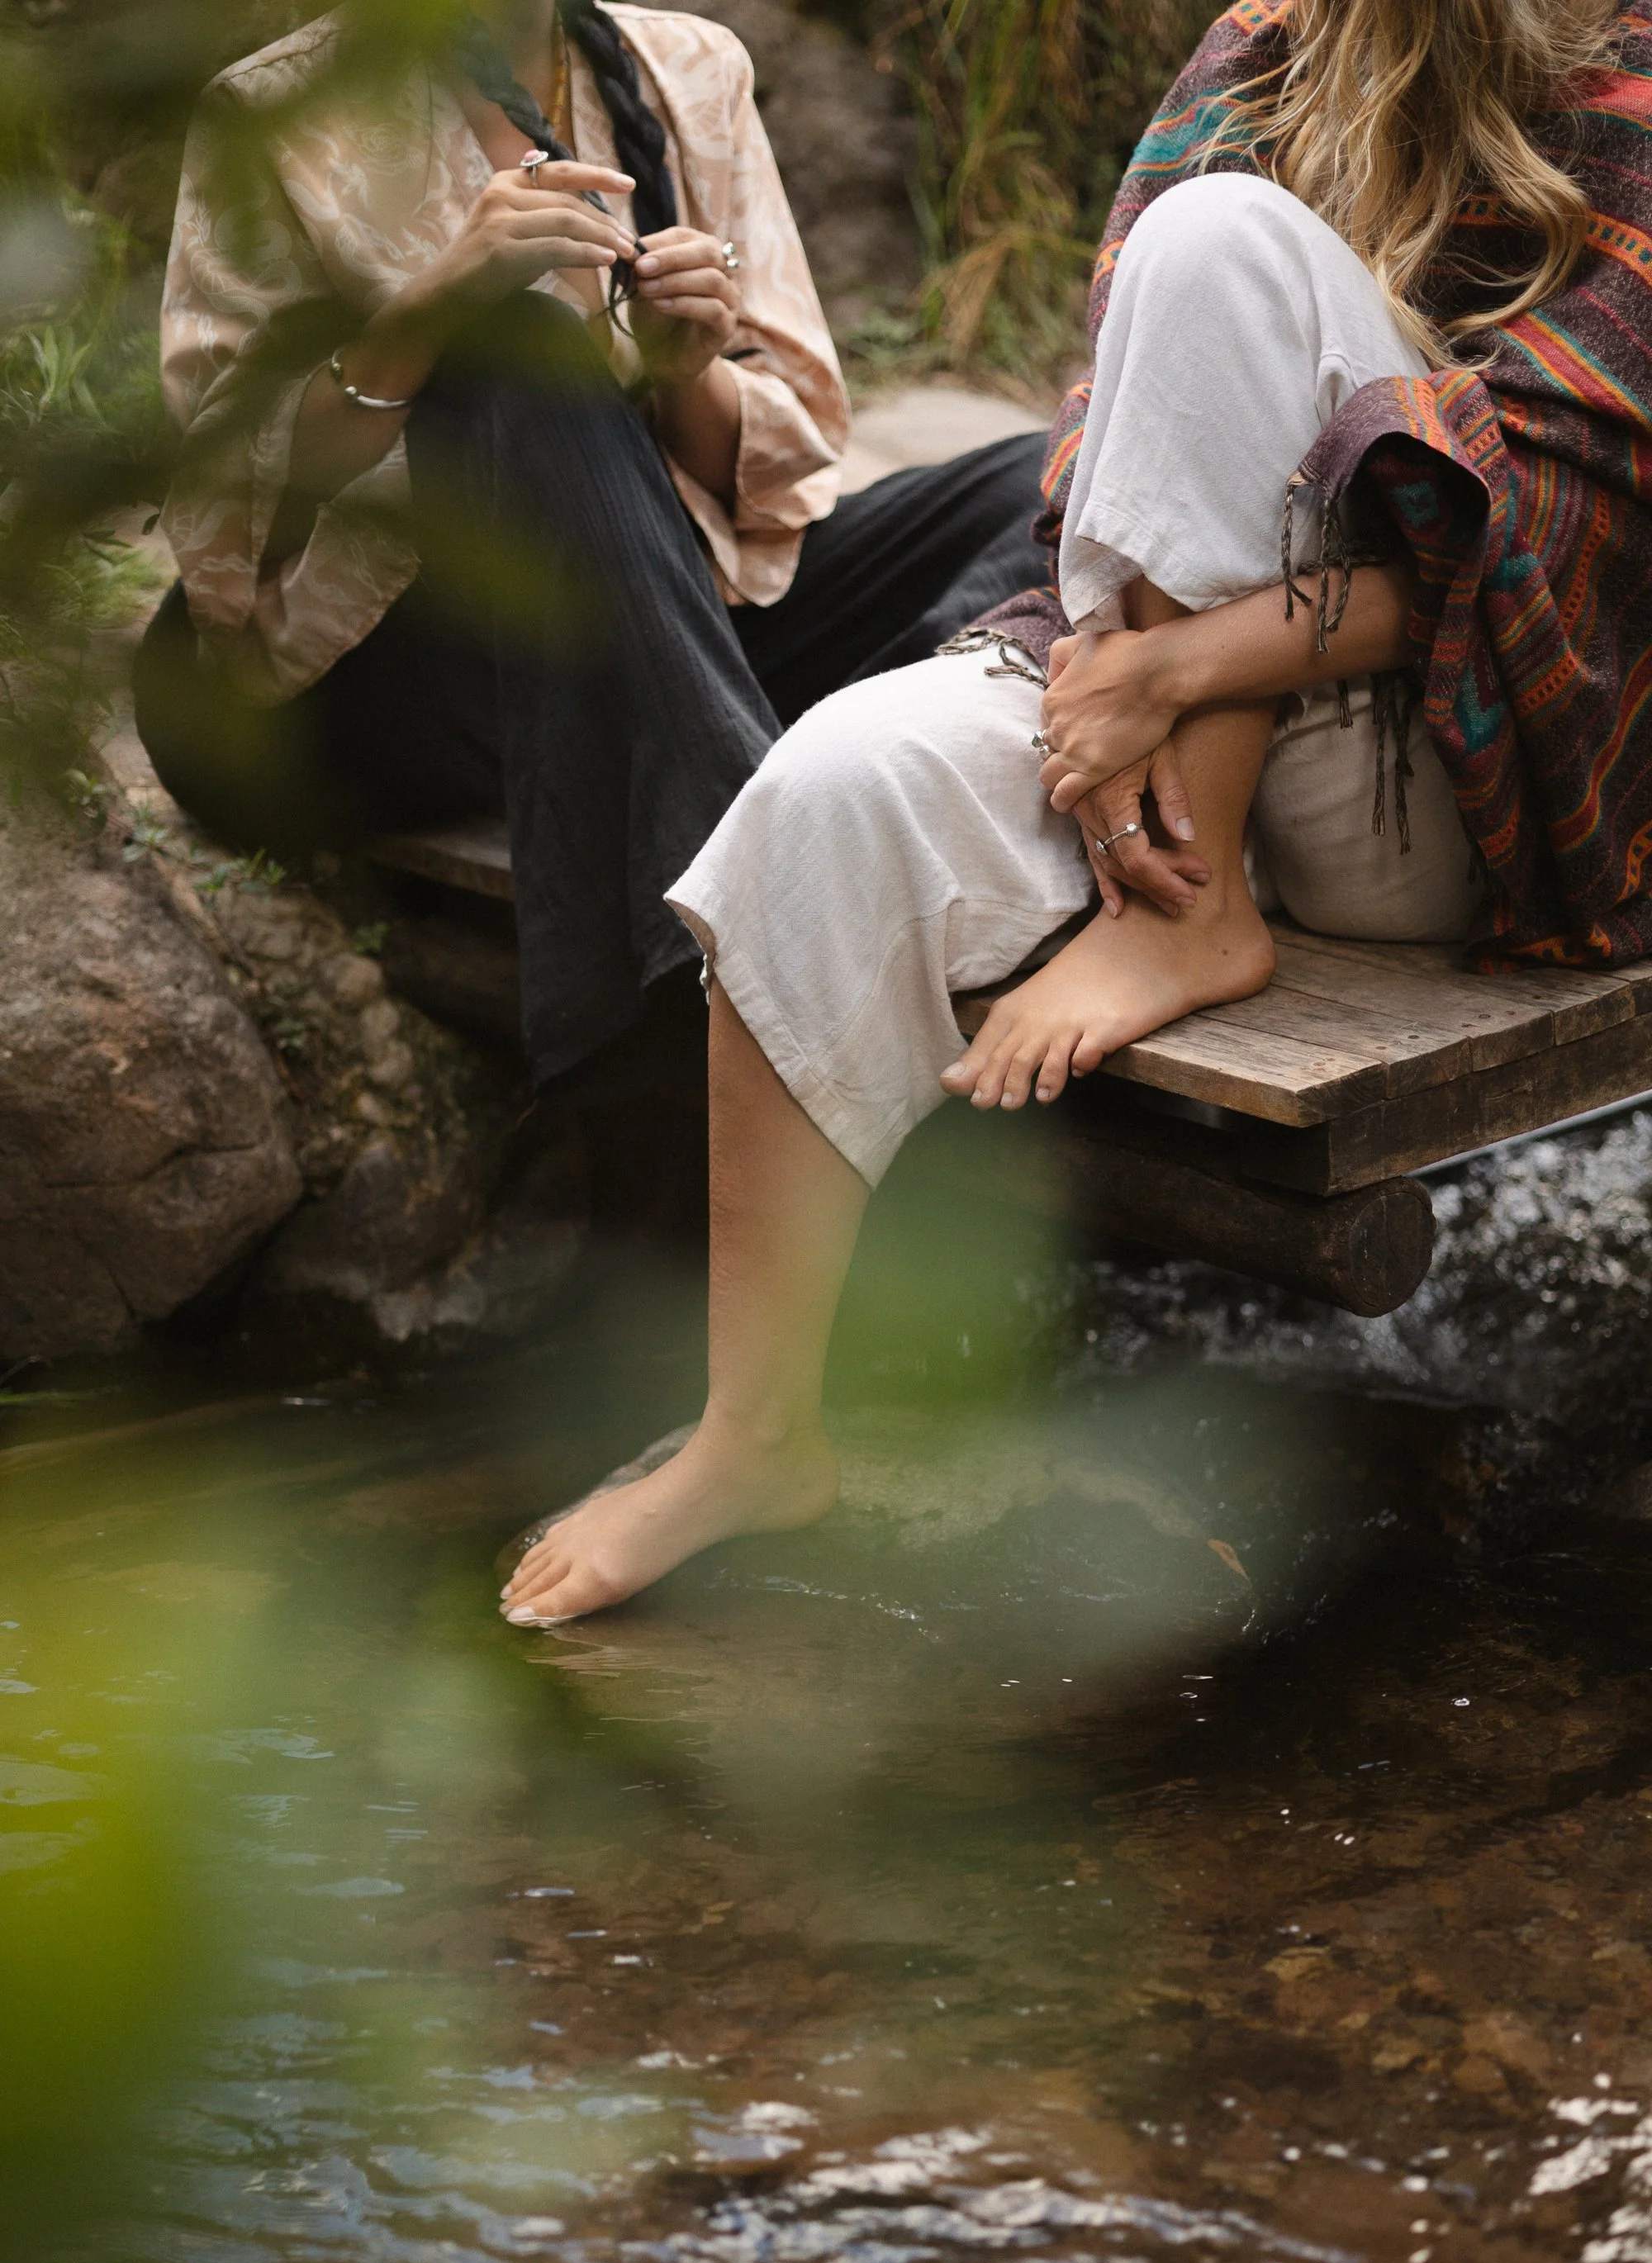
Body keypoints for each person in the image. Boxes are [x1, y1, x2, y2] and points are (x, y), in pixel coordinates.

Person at [501, 0, 1652, 1628]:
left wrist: (1177, 661)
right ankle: (756, 1435)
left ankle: (1185, 918)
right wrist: (1126, 678)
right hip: (1174, 709)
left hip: (1464, 784)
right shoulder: (1269, 42)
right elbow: (1111, 435)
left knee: (1224, 242)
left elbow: (1585, 557)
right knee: (831, 788)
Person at [134, 0, 1049, 1082]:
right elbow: (227, 496)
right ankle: (755, 909)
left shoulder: (688, 70)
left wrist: (683, 367)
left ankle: (866, 760)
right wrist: (427, 319)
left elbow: (777, 475)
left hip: (649, 623)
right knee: (518, 346)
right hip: (360, 679)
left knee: (1040, 481)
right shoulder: (276, 110)